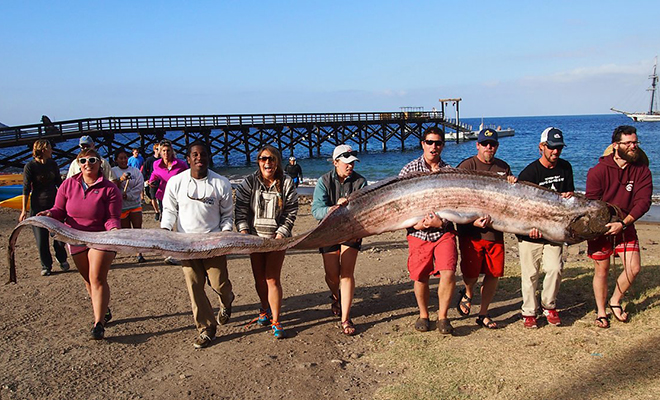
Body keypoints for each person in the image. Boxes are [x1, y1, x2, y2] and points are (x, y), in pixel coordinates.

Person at [37, 148, 122, 340]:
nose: (88, 164)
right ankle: (104, 309)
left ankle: (98, 323)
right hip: (74, 237)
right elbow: (59, 209)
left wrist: (114, 231)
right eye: (83, 161)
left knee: (97, 277)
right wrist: (50, 214)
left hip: (100, 238)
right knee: (87, 279)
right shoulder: (68, 185)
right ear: (78, 164)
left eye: (92, 160)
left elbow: (112, 217)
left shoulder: (110, 188)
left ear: (100, 164)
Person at [161, 141, 235, 348]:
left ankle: (227, 300)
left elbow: (227, 215)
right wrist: (166, 231)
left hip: (214, 242)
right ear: (187, 158)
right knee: (195, 287)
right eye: (194, 155)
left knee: (219, 283)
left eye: (203, 154)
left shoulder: (221, 183)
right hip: (186, 244)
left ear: (209, 157)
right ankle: (206, 328)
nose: (199, 158)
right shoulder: (176, 182)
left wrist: (226, 234)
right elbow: (169, 210)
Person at [586, 125, 652, 328]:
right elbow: (591, 204)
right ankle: (601, 311)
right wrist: (605, 225)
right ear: (616, 145)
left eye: (635, 142)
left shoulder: (642, 171)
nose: (633, 146)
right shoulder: (598, 171)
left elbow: (643, 201)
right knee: (601, 271)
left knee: (633, 268)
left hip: (626, 225)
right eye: (629, 143)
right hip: (601, 229)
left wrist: (623, 223)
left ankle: (615, 300)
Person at [235, 145, 298, 339]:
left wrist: (281, 234)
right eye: (263, 159)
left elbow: (291, 211)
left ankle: (276, 320)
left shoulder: (286, 182)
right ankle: (264, 308)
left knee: (272, 278)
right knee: (259, 278)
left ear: (277, 161)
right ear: (258, 162)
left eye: (271, 159)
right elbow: (241, 209)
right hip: (255, 238)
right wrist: (245, 231)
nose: (267, 162)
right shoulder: (249, 182)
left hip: (277, 240)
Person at [399, 127, 457, 335]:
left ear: (443, 145)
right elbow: (399, 204)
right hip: (418, 233)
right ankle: (424, 314)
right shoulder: (409, 170)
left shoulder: (450, 172)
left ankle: (443, 317)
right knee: (420, 276)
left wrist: (440, 224)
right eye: (430, 142)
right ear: (423, 143)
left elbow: (457, 205)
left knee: (448, 272)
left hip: (444, 231)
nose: (434, 146)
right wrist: (416, 225)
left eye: (438, 143)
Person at [455, 128, 516, 329]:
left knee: (494, 273)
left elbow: (511, 200)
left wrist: (513, 184)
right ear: (477, 145)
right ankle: (468, 291)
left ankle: (483, 313)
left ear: (497, 146)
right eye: (485, 144)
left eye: (493, 144)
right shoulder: (467, 165)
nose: (489, 147)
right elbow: (456, 198)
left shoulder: (503, 167)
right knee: (471, 274)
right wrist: (471, 221)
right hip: (470, 232)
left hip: (495, 231)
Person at [516, 127, 574, 329]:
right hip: (530, 232)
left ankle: (548, 304)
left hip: (554, 230)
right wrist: (527, 228)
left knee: (555, 268)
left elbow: (569, 198)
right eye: (551, 148)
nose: (555, 152)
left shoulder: (565, 167)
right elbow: (519, 206)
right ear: (541, 147)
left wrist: (569, 197)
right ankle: (529, 311)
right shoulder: (529, 172)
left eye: (559, 148)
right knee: (530, 273)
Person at [311, 144, 367, 335]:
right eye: (346, 163)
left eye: (353, 163)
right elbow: (316, 210)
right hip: (328, 230)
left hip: (351, 230)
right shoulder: (323, 181)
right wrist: (334, 208)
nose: (350, 166)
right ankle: (337, 296)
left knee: (347, 273)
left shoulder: (361, 182)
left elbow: (365, 208)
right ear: (335, 163)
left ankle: (345, 317)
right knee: (332, 274)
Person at [20, 139, 69, 276]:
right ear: (43, 150)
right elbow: (26, 189)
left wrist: (68, 199)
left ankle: (62, 258)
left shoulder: (53, 164)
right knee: (41, 239)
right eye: (49, 148)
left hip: (54, 205)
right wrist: (24, 210)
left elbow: (59, 184)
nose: (51, 150)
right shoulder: (30, 166)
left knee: (59, 236)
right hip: (37, 206)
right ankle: (46, 266)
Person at [149, 139, 188, 264]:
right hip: (163, 196)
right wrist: (151, 181)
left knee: (181, 223)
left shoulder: (181, 164)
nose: (166, 153)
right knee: (167, 223)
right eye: (163, 151)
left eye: (168, 150)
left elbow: (189, 177)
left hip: (179, 196)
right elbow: (154, 175)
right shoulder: (156, 164)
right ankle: (171, 252)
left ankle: (182, 251)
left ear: (172, 151)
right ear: (160, 152)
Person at [111, 148, 146, 263]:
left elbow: (139, 185)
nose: (123, 160)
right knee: (127, 232)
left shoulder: (135, 171)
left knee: (137, 230)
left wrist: (129, 195)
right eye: (120, 158)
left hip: (135, 204)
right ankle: (132, 248)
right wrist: (120, 180)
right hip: (122, 207)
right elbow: (111, 186)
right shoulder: (113, 171)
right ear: (116, 160)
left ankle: (139, 252)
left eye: (125, 158)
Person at [142, 143, 160, 219]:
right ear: (154, 150)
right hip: (152, 181)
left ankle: (161, 211)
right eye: (157, 149)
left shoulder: (163, 159)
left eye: (160, 149)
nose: (159, 151)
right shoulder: (150, 160)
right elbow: (144, 170)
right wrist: (146, 179)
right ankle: (157, 212)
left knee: (161, 198)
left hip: (161, 181)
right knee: (152, 197)